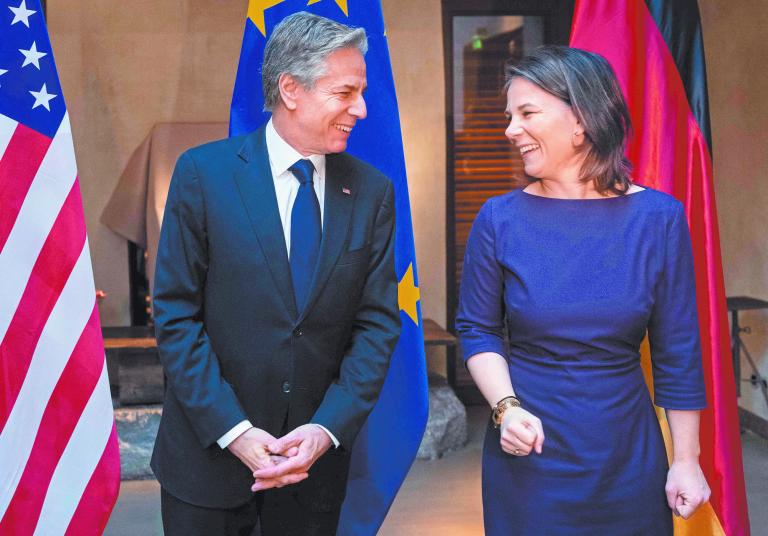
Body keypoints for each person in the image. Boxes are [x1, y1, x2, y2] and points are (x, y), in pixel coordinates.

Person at [150, 12, 400, 536]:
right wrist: (234, 431)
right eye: (345, 92)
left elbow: (377, 324)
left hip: (313, 469)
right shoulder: (203, 175)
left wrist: (326, 430)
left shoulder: (372, 192)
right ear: (291, 89)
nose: (361, 108)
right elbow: (176, 316)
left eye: (361, 92)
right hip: (208, 463)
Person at [456, 45, 711, 535]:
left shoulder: (659, 220)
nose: (511, 130)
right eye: (509, 116)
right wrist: (505, 409)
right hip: (529, 454)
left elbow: (678, 351)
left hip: (627, 456)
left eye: (527, 112)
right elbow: (478, 329)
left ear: (583, 120)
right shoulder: (498, 219)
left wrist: (686, 460)